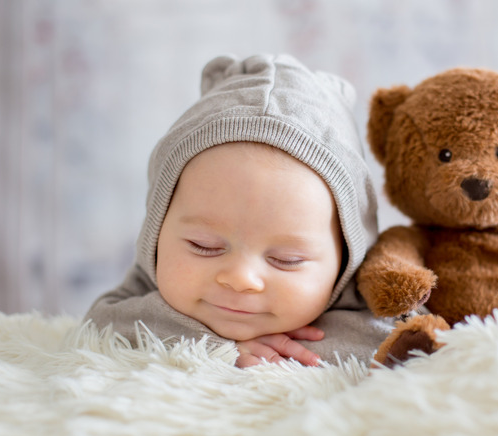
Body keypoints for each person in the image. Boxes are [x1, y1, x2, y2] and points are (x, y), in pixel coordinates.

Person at [85, 54, 393, 368]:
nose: (240, 278)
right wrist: (218, 346)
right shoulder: (141, 289)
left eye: (286, 260)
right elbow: (101, 324)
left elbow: (403, 341)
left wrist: (295, 347)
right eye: (204, 246)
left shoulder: (374, 297)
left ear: (346, 256)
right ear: (158, 230)